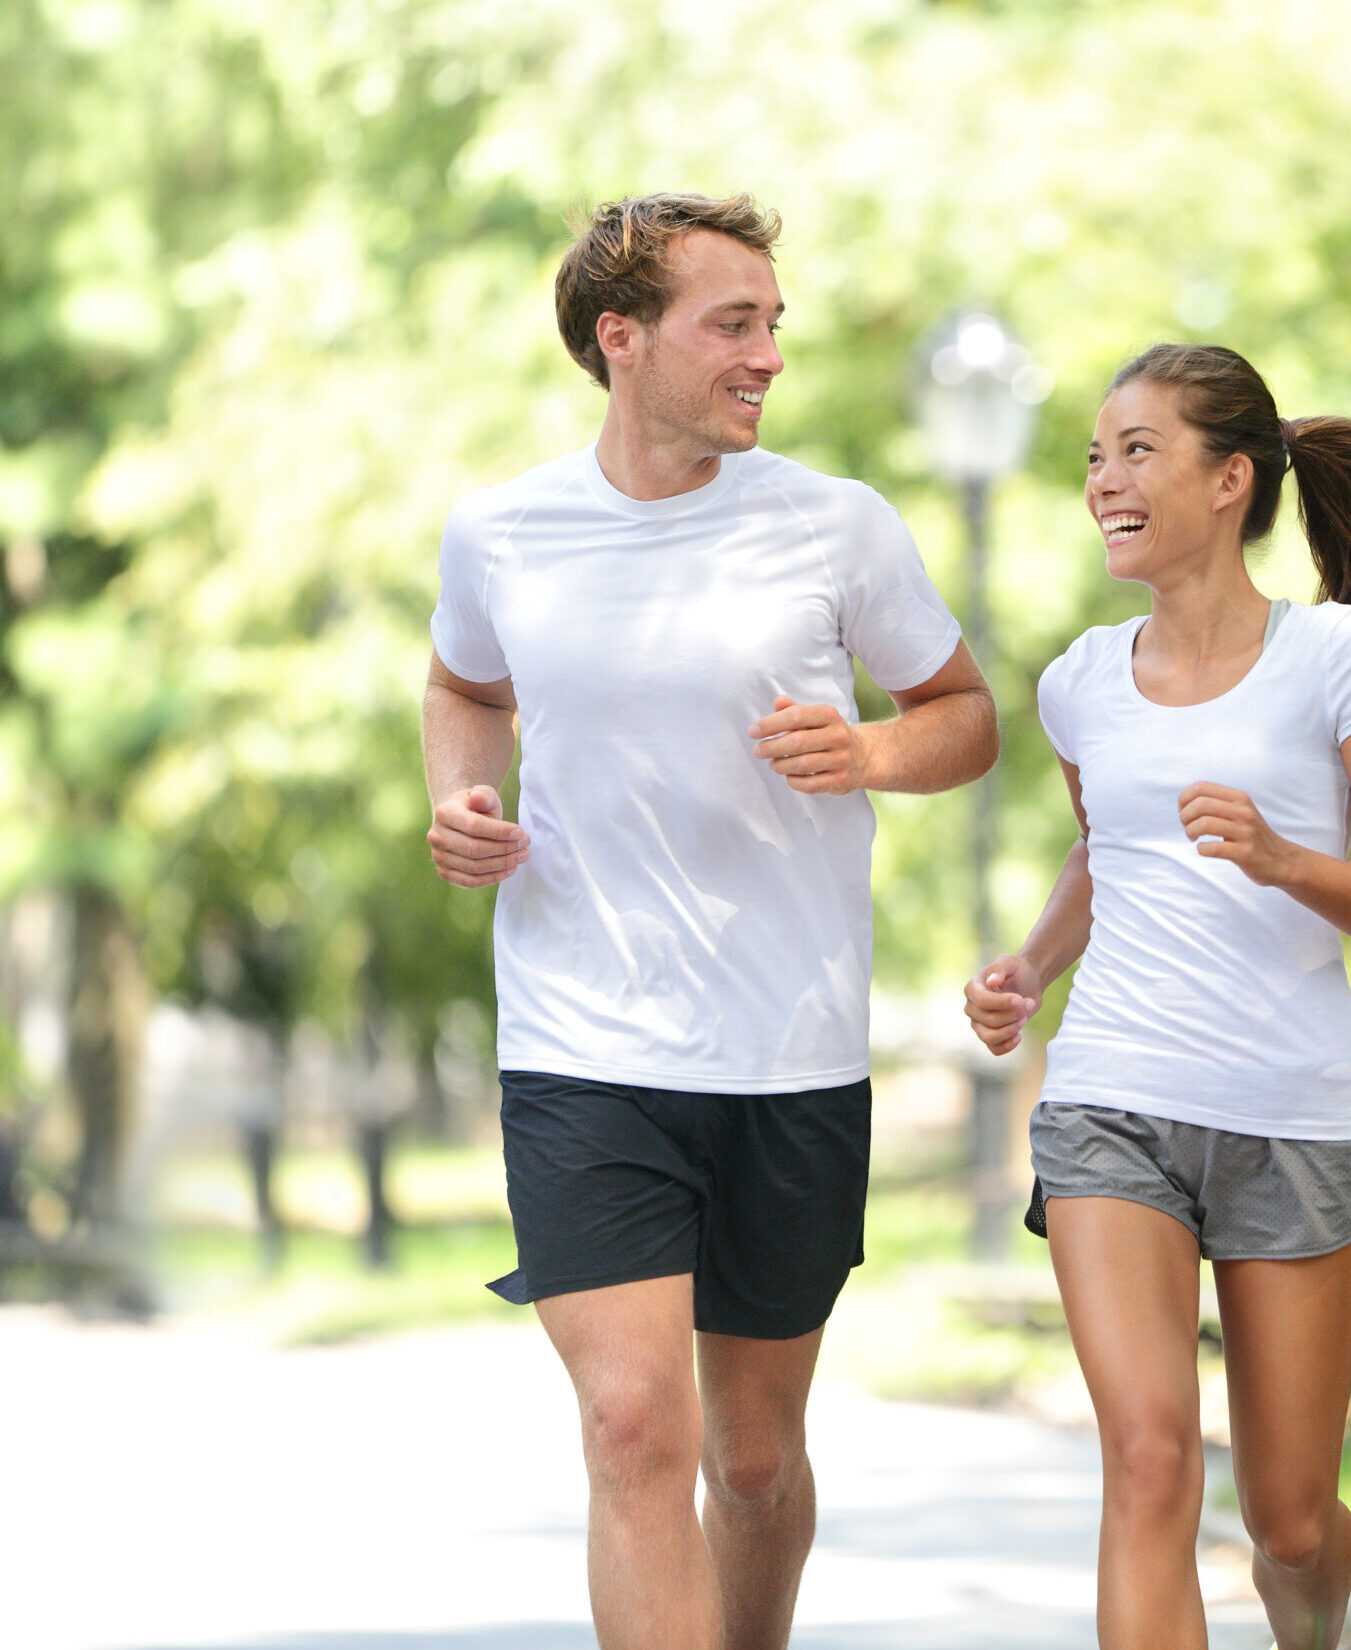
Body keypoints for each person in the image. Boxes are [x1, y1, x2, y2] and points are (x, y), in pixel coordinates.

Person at [422, 192, 996, 1650]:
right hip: (582, 1040)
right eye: (732, 324)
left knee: (750, 1456)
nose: (768, 357)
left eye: (773, 325)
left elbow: (966, 717)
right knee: (632, 1429)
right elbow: (464, 691)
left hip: (786, 1048)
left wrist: (871, 751)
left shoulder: (837, 525)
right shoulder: (502, 531)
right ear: (623, 337)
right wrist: (465, 798)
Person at [963, 343, 1351, 1650]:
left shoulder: (1333, 658)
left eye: (1136, 449)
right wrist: (1030, 966)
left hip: (1297, 1121)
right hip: (1112, 1105)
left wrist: (1280, 857)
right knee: (1147, 1459)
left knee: (1293, 1525)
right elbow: (1110, 854)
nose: (1103, 480)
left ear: (1228, 478)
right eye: (1095, 455)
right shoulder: (1080, 681)